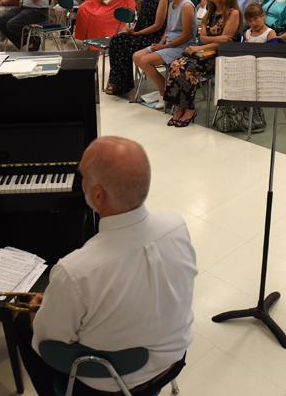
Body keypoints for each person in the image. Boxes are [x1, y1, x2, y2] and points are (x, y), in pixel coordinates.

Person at [15, 136, 195, 395]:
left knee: (22, 324)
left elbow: (47, 343)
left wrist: (36, 312)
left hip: (109, 382)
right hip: (173, 361)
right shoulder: (177, 225)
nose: (80, 183)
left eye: (83, 177)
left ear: (98, 195)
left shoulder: (75, 271)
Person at [163, 0, 239, 127]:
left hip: (219, 55)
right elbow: (203, 37)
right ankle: (181, 107)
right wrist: (214, 39)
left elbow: (224, 43)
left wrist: (202, 45)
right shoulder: (210, 12)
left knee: (186, 68)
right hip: (203, 51)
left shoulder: (233, 13)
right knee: (175, 65)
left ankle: (189, 109)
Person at [105, 0, 168, 96]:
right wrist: (131, 27)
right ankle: (119, 82)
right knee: (116, 40)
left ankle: (121, 84)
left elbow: (157, 25)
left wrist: (137, 33)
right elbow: (141, 18)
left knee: (124, 44)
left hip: (152, 36)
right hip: (140, 32)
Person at [132, 0, 197, 100]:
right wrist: (159, 44)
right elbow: (168, 29)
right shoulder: (171, 4)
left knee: (145, 61)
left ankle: (164, 92)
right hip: (168, 43)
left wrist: (164, 46)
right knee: (136, 56)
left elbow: (186, 35)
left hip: (182, 46)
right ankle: (166, 88)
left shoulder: (186, 6)